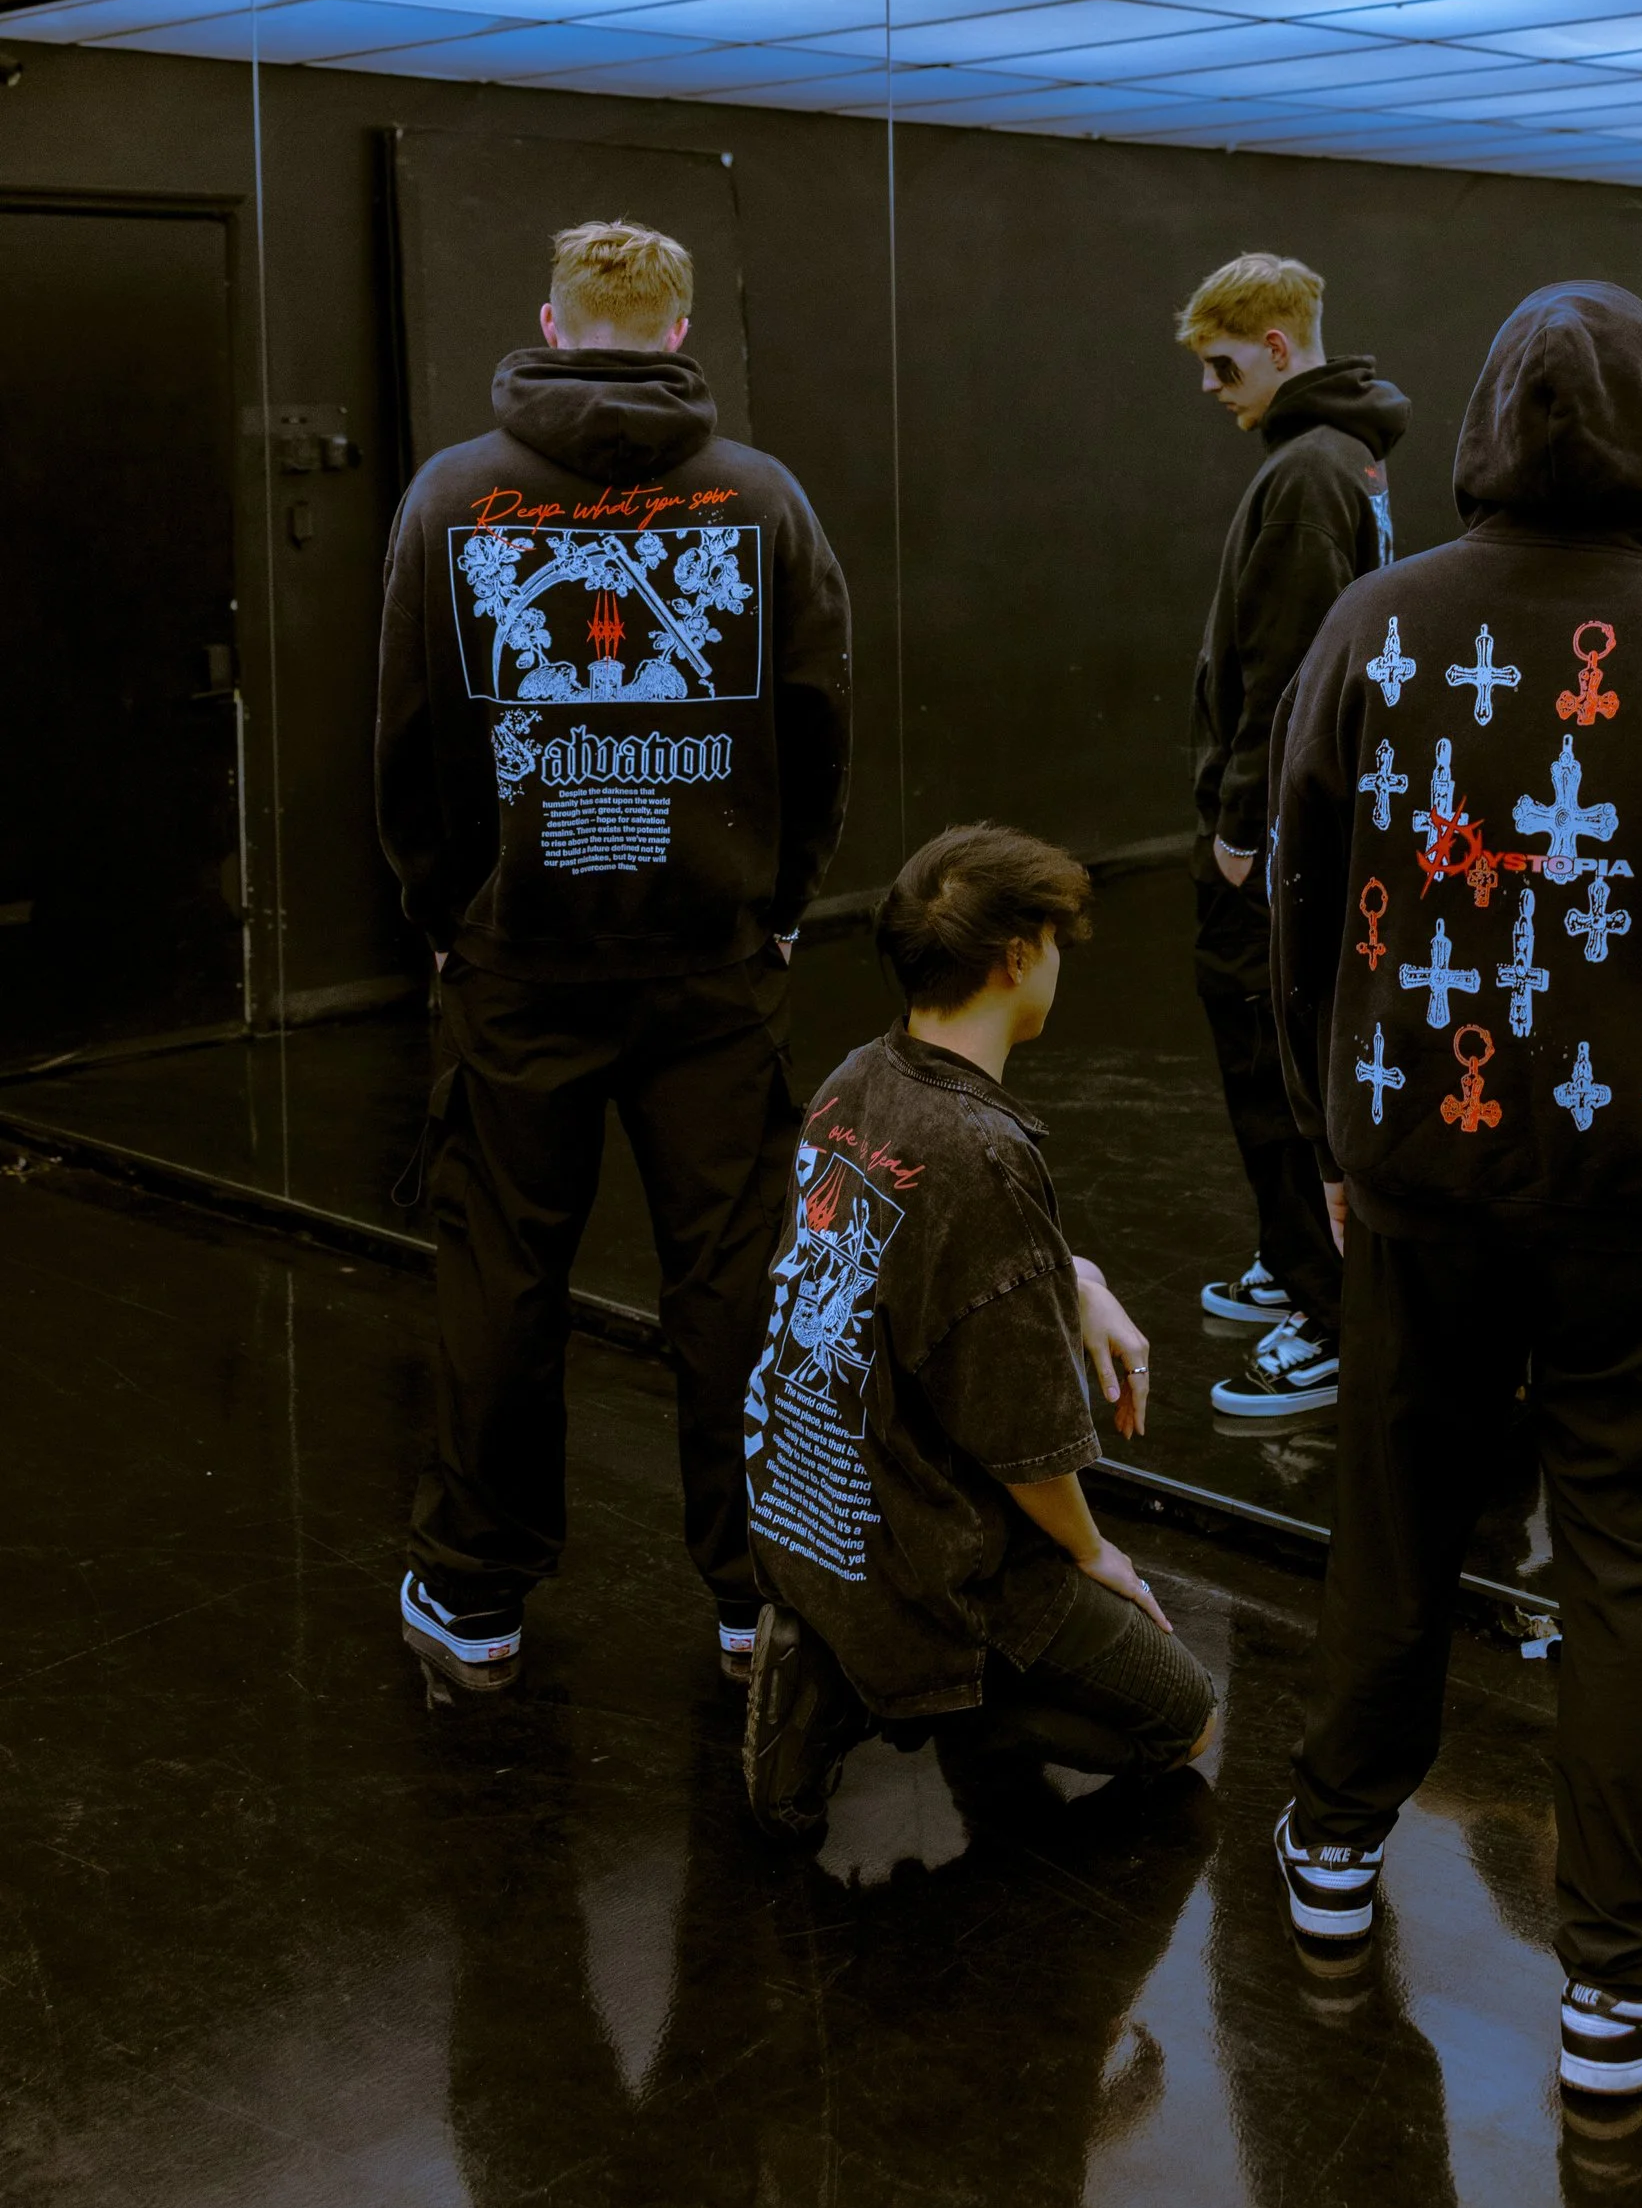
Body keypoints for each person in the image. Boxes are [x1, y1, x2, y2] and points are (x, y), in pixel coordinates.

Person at [1266, 279, 1642, 2109]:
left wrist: (1337, 1128)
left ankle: (1326, 1839)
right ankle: (1618, 1980)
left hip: (1419, 1170)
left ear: (1477, 421)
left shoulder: (1374, 629)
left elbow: (1297, 912)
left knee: (1398, 1507)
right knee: (1631, 1564)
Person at [378, 218, 851, 1696]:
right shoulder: (762, 499)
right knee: (730, 1282)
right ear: (681, 330)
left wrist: (445, 916)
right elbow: (822, 723)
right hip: (711, 960)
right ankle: (746, 1603)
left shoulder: (454, 497)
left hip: (520, 957)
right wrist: (782, 898)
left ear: (549, 320)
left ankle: (476, 1598)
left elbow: (405, 738)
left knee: (502, 1274)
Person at [740, 823, 1216, 1834]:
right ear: (1016, 955)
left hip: (808, 1509)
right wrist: (1095, 1555)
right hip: (925, 1548)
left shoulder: (857, 1078)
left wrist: (1071, 1274)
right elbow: (1023, 1445)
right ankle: (886, 1690)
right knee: (1181, 1725)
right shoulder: (981, 1151)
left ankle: (850, 1654)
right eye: (1052, 944)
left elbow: (909, 1266)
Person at [1178, 252, 1407, 1424]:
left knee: (1271, 1058)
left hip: (1270, 838)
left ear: (1278, 347)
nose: (1212, 387)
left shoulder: (1314, 468)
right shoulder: (1334, 458)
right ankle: (1294, 1258)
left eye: (1224, 364)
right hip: (1291, 826)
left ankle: (1327, 1309)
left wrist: (1242, 824)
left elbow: (1290, 667)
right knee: (1269, 1053)